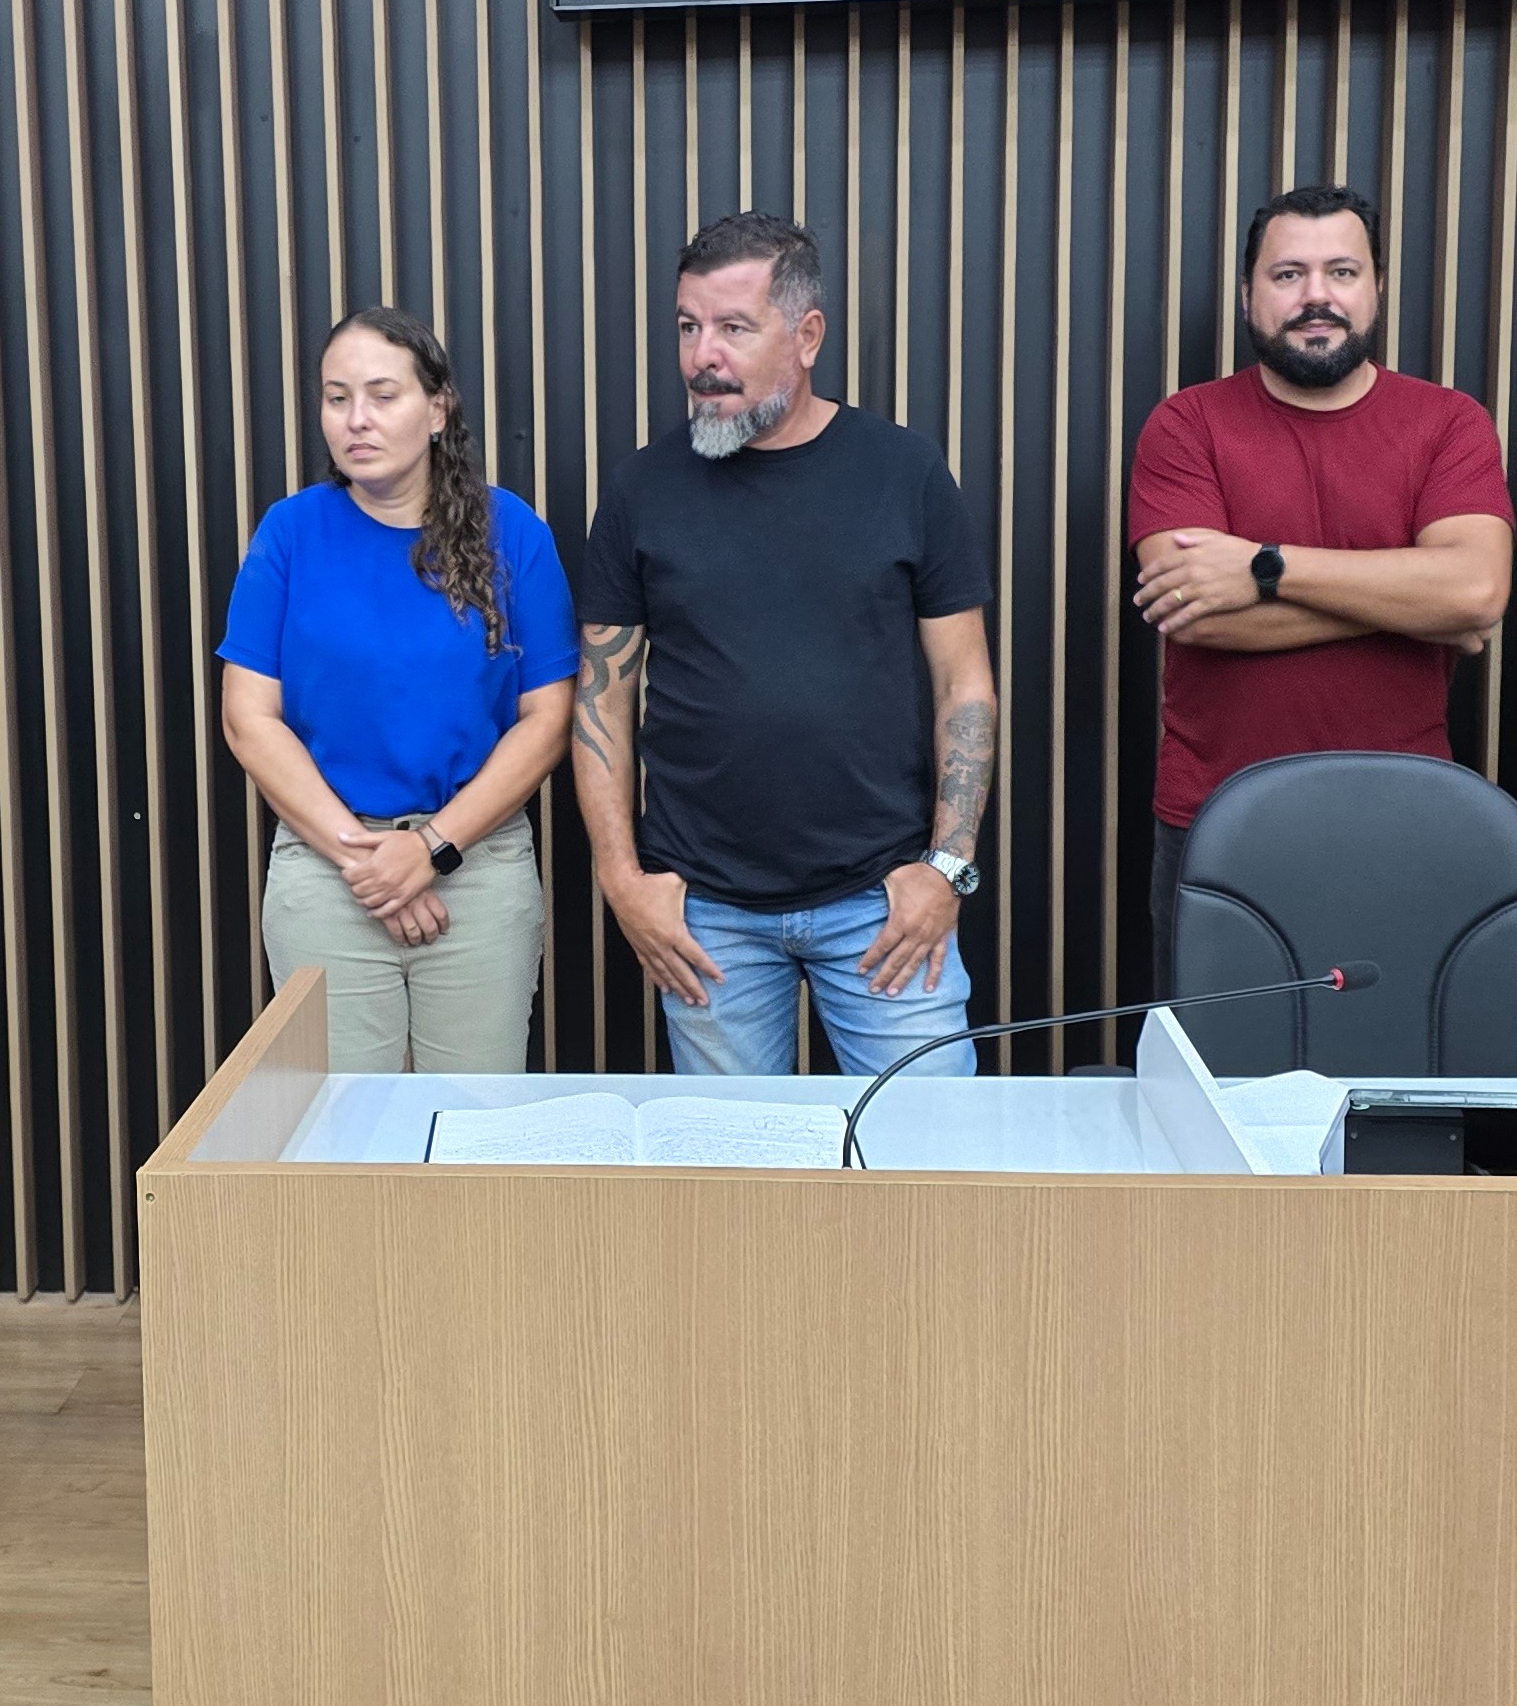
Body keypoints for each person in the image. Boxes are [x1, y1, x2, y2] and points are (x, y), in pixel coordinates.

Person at [571, 211, 999, 1077]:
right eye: (687, 327)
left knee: (928, 1151)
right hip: (706, 916)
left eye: (733, 328)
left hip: (883, 904)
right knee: (737, 1160)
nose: (702, 357)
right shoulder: (642, 489)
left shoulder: (904, 472)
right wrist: (623, 881)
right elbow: (601, 695)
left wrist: (947, 868)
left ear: (807, 337)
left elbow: (966, 684)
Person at [1126, 185, 1515, 986]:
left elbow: (1476, 593)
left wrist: (1264, 568)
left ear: (1376, 287)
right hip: (1217, 822)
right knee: (1214, 1055)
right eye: (1288, 275)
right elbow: (1193, 611)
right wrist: (1415, 605)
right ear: (1248, 294)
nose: (1317, 297)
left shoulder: (1448, 423)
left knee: (1389, 1051)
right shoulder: (1187, 425)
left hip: (1403, 817)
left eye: (1342, 272)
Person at [219, 307, 579, 1070]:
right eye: (337, 398)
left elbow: (547, 719)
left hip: (477, 869)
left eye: (383, 395)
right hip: (328, 869)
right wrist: (370, 863)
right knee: (340, 1123)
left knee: (473, 1124)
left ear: (438, 408)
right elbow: (249, 717)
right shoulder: (290, 533)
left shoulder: (512, 532)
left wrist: (430, 850)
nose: (357, 419)